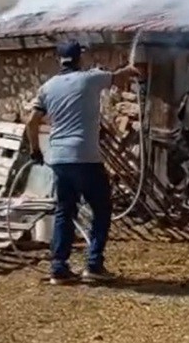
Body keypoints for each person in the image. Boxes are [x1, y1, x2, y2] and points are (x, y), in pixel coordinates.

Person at [26, 39, 142, 285]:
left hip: (58, 158)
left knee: (64, 211)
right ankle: (94, 265)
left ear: (60, 60)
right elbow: (118, 77)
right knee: (102, 208)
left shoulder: (47, 87)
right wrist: (130, 70)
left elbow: (31, 122)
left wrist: (35, 150)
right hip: (85, 156)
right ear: (79, 58)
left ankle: (59, 268)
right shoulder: (91, 78)